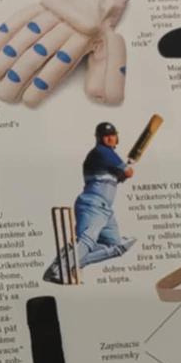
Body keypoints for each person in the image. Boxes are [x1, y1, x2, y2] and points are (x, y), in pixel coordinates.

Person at [44, 121, 136, 282]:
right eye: (105, 136)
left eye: (112, 135)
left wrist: (123, 173)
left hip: (105, 209)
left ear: (116, 137)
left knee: (116, 246)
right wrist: (129, 168)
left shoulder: (106, 157)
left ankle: (69, 263)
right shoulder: (102, 152)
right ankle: (60, 269)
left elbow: (119, 177)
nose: (109, 138)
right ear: (99, 138)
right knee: (87, 241)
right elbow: (128, 173)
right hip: (93, 205)